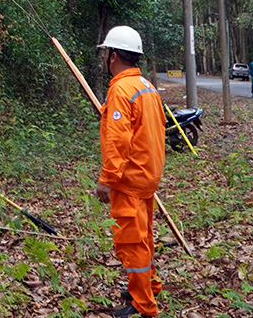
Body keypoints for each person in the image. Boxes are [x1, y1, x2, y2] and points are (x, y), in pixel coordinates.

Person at [95, 25, 165, 318]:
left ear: (112, 55)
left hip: (130, 180)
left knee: (131, 242)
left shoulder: (121, 90)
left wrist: (107, 180)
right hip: (147, 177)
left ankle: (144, 305)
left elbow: (118, 140)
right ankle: (150, 285)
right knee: (144, 235)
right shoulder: (146, 87)